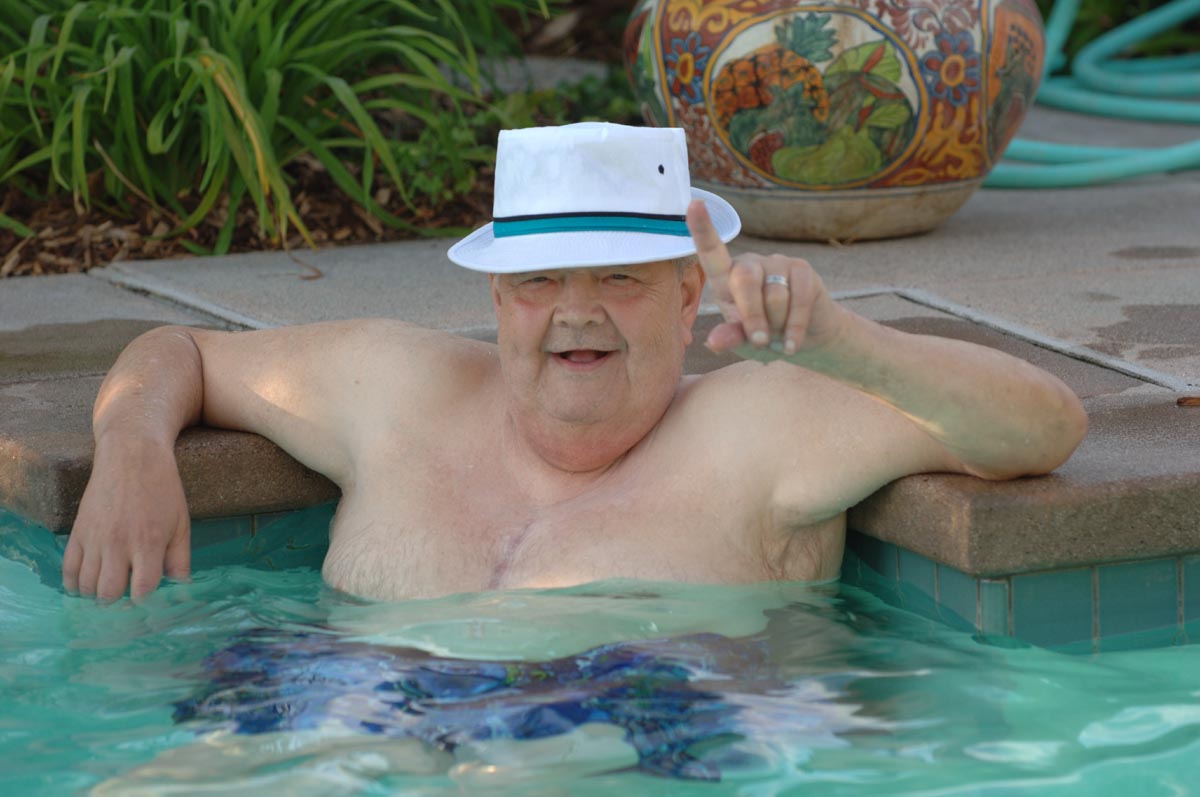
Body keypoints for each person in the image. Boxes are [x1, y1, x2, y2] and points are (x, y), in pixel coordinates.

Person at [62, 123, 1088, 603]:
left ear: (686, 296)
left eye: (619, 279)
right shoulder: (399, 389)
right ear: (496, 297)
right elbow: (175, 350)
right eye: (541, 281)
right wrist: (133, 447)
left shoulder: (760, 429)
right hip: (347, 734)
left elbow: (1044, 426)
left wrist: (844, 344)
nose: (575, 313)